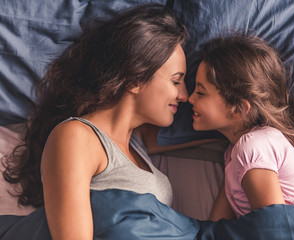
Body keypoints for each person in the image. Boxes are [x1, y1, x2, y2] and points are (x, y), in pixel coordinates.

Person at [2, 4, 190, 239]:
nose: (185, 95)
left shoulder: (138, 144)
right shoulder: (77, 137)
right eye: (176, 81)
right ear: (135, 78)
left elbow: (218, 134)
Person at [188, 34, 294, 220]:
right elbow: (216, 229)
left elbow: (277, 231)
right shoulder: (235, 152)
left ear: (239, 109)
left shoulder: (252, 146)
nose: (190, 98)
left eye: (200, 92)